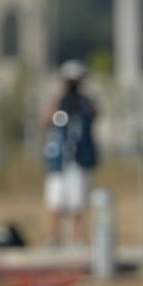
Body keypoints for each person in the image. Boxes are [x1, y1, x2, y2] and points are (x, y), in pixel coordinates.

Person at [41, 60, 99, 246]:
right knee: (56, 201)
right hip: (59, 160)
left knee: (78, 202)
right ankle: (53, 237)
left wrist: (81, 98)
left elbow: (96, 114)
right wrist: (60, 97)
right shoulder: (58, 103)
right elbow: (44, 121)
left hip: (79, 159)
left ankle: (76, 237)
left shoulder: (85, 104)